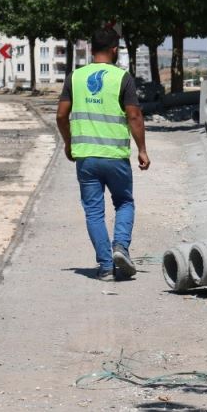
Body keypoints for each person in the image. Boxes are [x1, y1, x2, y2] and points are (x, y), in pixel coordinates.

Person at [56, 28, 150, 281]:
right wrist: (142, 149)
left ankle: (106, 267)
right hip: (115, 156)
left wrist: (69, 143)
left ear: (91, 48)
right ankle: (120, 246)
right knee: (124, 202)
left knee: (94, 212)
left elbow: (61, 115)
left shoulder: (74, 77)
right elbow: (134, 116)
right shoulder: (122, 78)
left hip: (86, 157)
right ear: (114, 49)